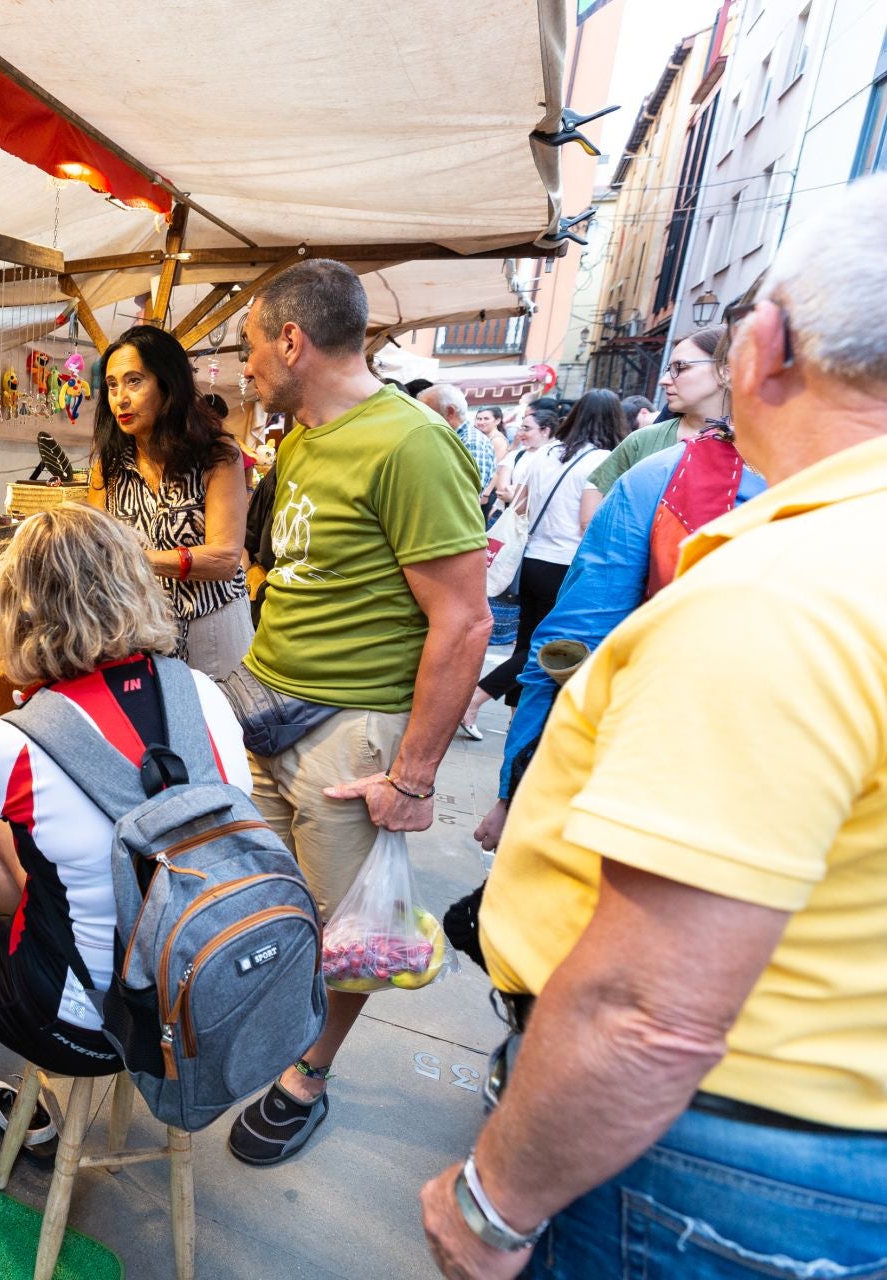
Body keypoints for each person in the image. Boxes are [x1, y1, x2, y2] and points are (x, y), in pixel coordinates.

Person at [420, 172, 887, 1280]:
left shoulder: (784, 592)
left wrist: (495, 1203)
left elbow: (645, 1010)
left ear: (763, 348)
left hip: (709, 1165)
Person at [0, 503, 257, 1195]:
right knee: (25, 846)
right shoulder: (204, 693)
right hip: (204, 998)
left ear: (16, 609)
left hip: (86, 1028)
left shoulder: (10, 740)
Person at [222, 259, 491, 1164]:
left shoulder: (410, 445)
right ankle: (270, 1025)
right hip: (265, 710)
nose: (244, 362)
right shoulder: (299, 438)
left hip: (351, 736)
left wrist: (413, 777)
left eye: (251, 342)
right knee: (265, 898)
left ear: (292, 340)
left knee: (353, 933)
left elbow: (463, 622)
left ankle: (311, 1068)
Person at [470, 421, 766, 853]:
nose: (669, 377)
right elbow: (567, 651)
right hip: (670, 778)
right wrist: (519, 788)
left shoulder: (667, 476)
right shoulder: (664, 477)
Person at [88, 324, 252, 677]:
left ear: (168, 384)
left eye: (134, 381)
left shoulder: (216, 455)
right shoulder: (109, 466)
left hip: (213, 624)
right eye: (113, 385)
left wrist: (134, 558)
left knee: (220, 727)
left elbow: (225, 558)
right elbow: (94, 549)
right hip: (141, 633)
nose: (121, 398)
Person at [458, 392, 622, 738]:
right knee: (541, 646)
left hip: (531, 559)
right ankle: (476, 697)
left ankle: (516, 719)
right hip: (565, 564)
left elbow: (520, 506)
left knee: (526, 642)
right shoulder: (602, 460)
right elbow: (587, 522)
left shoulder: (548, 453)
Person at [578, 327, 730, 528]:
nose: (664, 380)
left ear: (725, 371)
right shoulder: (642, 440)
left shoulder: (762, 447)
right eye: (669, 369)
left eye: (680, 367)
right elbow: (592, 515)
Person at [420, 383, 497, 511]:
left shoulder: (471, 442)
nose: (423, 418)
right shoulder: (453, 438)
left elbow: (467, 495)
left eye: (428, 412)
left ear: (450, 412)